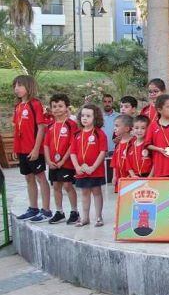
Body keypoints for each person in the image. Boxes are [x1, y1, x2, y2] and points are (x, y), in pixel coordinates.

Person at [12, 75, 52, 223]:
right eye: (15, 86)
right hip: (22, 150)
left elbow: (41, 128)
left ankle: (46, 210)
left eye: (20, 85)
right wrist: (16, 149)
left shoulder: (35, 104)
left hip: (34, 149)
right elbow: (17, 129)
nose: (17, 88)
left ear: (29, 87)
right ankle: (33, 208)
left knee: (40, 177)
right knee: (28, 177)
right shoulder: (18, 106)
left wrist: (36, 149)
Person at [42, 93, 79, 225]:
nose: (57, 109)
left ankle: (74, 212)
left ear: (66, 107)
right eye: (54, 106)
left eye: (60, 106)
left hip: (66, 162)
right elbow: (46, 144)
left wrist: (63, 160)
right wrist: (48, 160)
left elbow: (72, 144)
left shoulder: (71, 124)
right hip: (52, 162)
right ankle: (59, 212)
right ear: (51, 109)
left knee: (68, 185)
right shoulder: (50, 126)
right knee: (56, 186)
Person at [70, 104, 108, 227]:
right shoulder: (77, 134)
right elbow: (73, 152)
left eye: (88, 116)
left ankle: (98, 217)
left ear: (95, 118)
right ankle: (85, 218)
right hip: (81, 170)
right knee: (84, 193)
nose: (84, 118)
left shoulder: (99, 134)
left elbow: (102, 152)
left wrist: (93, 167)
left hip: (95, 170)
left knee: (96, 192)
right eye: (83, 115)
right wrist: (77, 167)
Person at [110, 115, 133, 193]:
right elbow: (114, 163)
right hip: (120, 179)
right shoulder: (118, 145)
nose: (114, 128)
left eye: (117, 126)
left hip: (131, 179)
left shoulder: (134, 142)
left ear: (126, 128)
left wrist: (132, 175)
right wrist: (114, 177)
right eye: (114, 126)